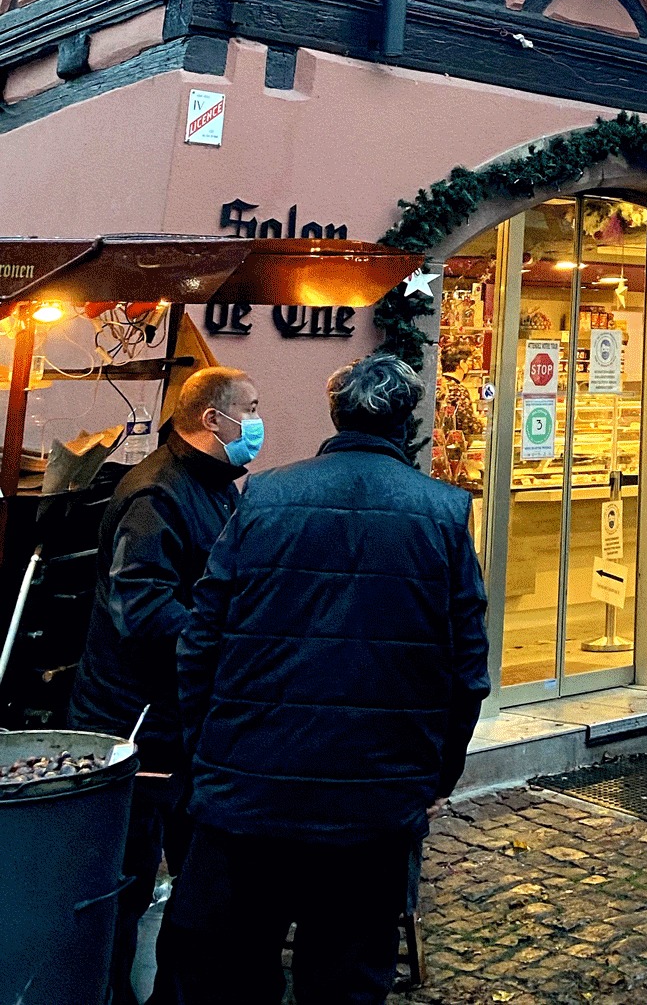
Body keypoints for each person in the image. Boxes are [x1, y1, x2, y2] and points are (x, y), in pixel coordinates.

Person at [169, 352, 490, 1005]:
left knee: (230, 977)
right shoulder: (443, 513)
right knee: (344, 982)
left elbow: (200, 638)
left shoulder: (265, 495)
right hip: (372, 811)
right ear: (408, 420)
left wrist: (210, 750)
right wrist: (433, 778)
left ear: (335, 412)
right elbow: (467, 672)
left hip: (248, 794)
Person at [67, 365, 262, 1005]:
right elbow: (142, 608)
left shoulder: (215, 486)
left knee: (199, 881)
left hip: (184, 722)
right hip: (138, 724)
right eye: (251, 409)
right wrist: (224, 639)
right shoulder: (156, 495)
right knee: (125, 880)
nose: (259, 423)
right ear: (214, 419)